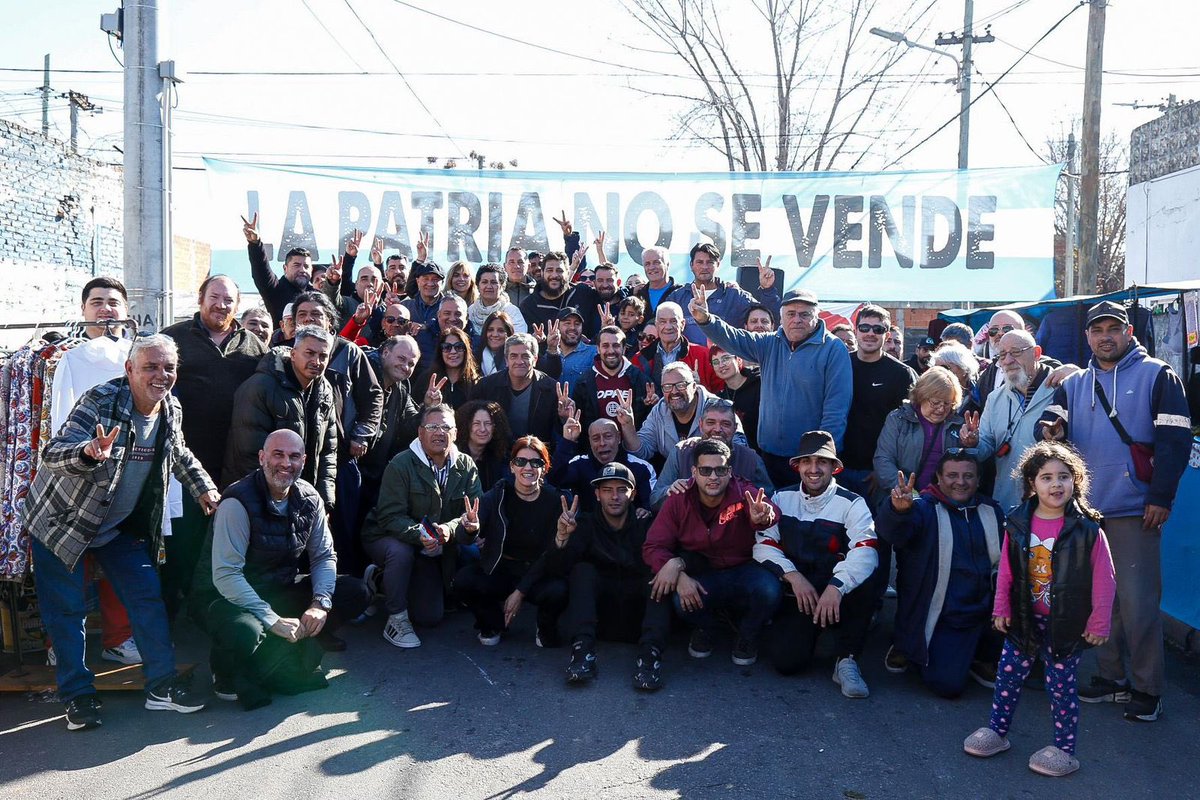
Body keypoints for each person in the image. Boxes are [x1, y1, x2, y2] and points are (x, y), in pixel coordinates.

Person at [23, 334, 221, 731]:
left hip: (116, 526)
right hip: (63, 522)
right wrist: (87, 452)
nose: (160, 375)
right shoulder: (101, 400)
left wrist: (204, 488)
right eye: (150, 366)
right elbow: (54, 451)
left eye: (168, 367)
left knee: (147, 596)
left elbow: (178, 452)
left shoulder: (170, 408)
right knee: (67, 612)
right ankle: (78, 697)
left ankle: (161, 687)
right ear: (129, 369)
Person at [1039, 300, 1191, 722]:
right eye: (1097, 330)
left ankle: (1147, 688)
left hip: (1135, 509)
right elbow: (1051, 426)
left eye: (1113, 328)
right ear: (1087, 337)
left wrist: (1160, 497)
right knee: (1100, 603)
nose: (1105, 336)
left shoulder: (1157, 374)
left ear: (1128, 332)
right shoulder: (1073, 384)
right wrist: (1049, 429)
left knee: (1139, 605)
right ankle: (1111, 679)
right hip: (1087, 511)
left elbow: (1175, 444)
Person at [963, 441, 1116, 778]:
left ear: (1076, 481)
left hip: (1067, 624)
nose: (1056, 484)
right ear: (1032, 483)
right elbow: (1005, 570)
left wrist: (1099, 621)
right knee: (1007, 677)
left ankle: (1064, 749)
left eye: (1064, 476)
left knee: (1061, 688)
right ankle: (997, 732)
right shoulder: (1017, 523)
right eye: (1046, 477)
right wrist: (1001, 607)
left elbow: (1105, 579)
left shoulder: (1089, 530)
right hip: (1022, 619)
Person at [190, 430, 371, 709]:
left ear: (304, 460)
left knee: (355, 592)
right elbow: (226, 575)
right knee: (246, 632)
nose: (286, 463)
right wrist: (271, 619)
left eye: (294, 456)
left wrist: (319, 604)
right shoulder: (237, 502)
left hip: (277, 587)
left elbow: (323, 556)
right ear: (262, 458)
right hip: (224, 597)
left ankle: (285, 645)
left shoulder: (310, 498)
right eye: (278, 454)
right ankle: (226, 668)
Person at [46, 277, 140, 667]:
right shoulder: (70, 359)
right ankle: (62, 644)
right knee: (72, 566)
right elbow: (58, 422)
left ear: (126, 311)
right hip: (80, 475)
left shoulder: (138, 354)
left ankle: (119, 638)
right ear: (83, 310)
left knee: (122, 564)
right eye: (97, 302)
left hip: (130, 476)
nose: (105, 309)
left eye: (113, 302)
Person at [161, 275, 268, 618]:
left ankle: (216, 609)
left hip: (236, 460)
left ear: (237, 305)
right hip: (185, 460)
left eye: (228, 300)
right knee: (183, 540)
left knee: (229, 540)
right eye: (215, 297)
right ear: (200, 297)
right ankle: (175, 612)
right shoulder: (173, 338)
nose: (221, 305)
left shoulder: (252, 344)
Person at [754, 431, 878, 698]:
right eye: (806, 461)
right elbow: (763, 544)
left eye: (821, 462)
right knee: (786, 663)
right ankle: (812, 631)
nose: (813, 469)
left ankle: (847, 658)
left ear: (835, 467)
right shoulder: (780, 498)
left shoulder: (853, 502)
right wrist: (794, 577)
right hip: (801, 593)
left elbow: (866, 550)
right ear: (796, 466)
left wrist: (836, 587)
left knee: (869, 576)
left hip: (838, 592)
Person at [642, 439, 782, 673]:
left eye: (721, 470)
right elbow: (653, 545)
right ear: (694, 472)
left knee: (769, 590)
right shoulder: (678, 499)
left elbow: (767, 509)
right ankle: (707, 628)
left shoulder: (744, 492)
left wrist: (765, 516)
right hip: (703, 570)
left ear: (730, 472)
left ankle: (747, 634)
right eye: (706, 470)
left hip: (745, 569)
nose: (713, 477)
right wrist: (676, 573)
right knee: (680, 600)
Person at [694, 287, 852, 489]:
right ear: (782, 317)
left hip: (808, 462)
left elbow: (836, 409)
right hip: (767, 456)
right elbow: (735, 339)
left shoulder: (833, 349)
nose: (797, 319)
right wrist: (706, 319)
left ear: (816, 316)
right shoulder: (769, 343)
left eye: (804, 314)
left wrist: (823, 458)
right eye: (791, 314)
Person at [876, 451, 1005, 698]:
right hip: (943, 614)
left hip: (983, 612)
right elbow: (893, 534)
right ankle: (911, 645)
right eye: (952, 475)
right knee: (946, 684)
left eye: (969, 476)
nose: (961, 482)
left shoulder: (990, 511)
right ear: (938, 477)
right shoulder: (923, 508)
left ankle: (980, 655)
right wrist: (898, 511)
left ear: (978, 479)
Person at [361, 405, 483, 648]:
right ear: (420, 432)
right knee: (400, 552)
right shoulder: (401, 464)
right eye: (432, 427)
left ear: (456, 433)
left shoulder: (466, 465)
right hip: (390, 537)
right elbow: (389, 516)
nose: (439, 432)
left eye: (446, 427)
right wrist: (422, 534)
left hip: (435, 546)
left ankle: (382, 580)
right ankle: (396, 618)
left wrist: (451, 529)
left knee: (430, 616)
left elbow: (470, 516)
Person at [539, 463, 660, 687]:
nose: (614, 496)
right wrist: (562, 539)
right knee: (582, 570)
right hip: (600, 618)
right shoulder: (584, 524)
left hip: (638, 618)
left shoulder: (646, 524)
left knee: (660, 577)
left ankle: (649, 658)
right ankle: (582, 654)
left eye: (621, 490)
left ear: (632, 495)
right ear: (597, 494)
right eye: (607, 490)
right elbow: (557, 570)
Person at [453, 437, 569, 647]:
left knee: (559, 590)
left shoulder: (555, 501)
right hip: (502, 568)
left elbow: (551, 554)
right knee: (464, 580)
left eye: (536, 462)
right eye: (521, 461)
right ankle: (493, 623)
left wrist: (520, 592)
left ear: (545, 468)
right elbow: (464, 536)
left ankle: (545, 626)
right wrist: (470, 529)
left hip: (538, 571)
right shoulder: (498, 494)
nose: (528, 467)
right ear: (512, 466)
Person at [224, 326, 339, 509]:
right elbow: (250, 455)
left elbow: (328, 451)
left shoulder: (324, 389)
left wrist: (325, 501)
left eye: (323, 356)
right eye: (309, 353)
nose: (316, 361)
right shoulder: (260, 388)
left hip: (304, 500)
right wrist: (277, 503)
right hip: (258, 499)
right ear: (293, 354)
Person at [975, 330, 1062, 511]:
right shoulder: (994, 399)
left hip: (1055, 506)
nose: (1007, 361)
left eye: (1015, 352)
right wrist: (971, 442)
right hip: (1008, 506)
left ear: (1037, 353)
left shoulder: (1063, 388)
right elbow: (985, 448)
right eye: (1002, 355)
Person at [839, 304, 916, 504]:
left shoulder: (901, 374)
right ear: (856, 330)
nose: (870, 333)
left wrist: (884, 470)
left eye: (878, 329)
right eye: (864, 328)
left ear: (887, 334)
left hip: (877, 475)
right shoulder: (838, 365)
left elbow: (908, 429)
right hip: (837, 468)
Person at [651, 398, 772, 509]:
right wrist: (670, 491)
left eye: (725, 424)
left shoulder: (751, 459)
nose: (717, 429)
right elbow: (654, 500)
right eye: (711, 423)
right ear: (700, 425)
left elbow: (770, 501)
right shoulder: (681, 452)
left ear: (735, 428)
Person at [874, 367, 976, 495]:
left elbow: (970, 468)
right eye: (935, 402)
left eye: (947, 403)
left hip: (944, 501)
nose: (941, 409)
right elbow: (883, 460)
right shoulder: (898, 419)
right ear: (921, 396)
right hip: (903, 498)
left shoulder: (959, 425)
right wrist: (907, 490)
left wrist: (970, 444)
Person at [622, 362, 741, 465]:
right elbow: (642, 451)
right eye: (667, 387)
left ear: (694, 386)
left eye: (681, 385)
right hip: (677, 480)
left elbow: (740, 447)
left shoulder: (720, 408)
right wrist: (628, 425)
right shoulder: (660, 410)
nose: (674, 391)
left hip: (716, 477)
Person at [359, 335, 423, 525]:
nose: (406, 366)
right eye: (401, 359)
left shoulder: (401, 387)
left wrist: (427, 406)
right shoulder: (362, 373)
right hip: (351, 467)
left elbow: (409, 426)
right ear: (385, 353)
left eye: (411, 364)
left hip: (377, 475)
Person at [666, 244, 781, 345]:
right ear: (691, 265)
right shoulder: (677, 297)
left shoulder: (734, 295)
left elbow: (771, 317)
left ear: (718, 264)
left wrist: (767, 289)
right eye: (700, 262)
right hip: (689, 365)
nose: (705, 267)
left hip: (725, 366)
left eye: (710, 262)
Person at [549, 417, 656, 518]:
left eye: (608, 436)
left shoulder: (642, 467)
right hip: (591, 531)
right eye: (595, 438)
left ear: (618, 437)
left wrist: (646, 511)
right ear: (590, 441)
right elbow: (555, 480)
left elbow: (653, 503)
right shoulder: (579, 464)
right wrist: (567, 442)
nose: (602, 443)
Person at [473, 333, 563, 443]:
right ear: (506, 360)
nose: (519, 362)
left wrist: (564, 418)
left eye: (525, 356)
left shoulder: (550, 389)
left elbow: (559, 432)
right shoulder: (487, 386)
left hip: (535, 454)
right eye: (513, 356)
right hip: (496, 452)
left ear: (535, 360)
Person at [571, 325, 653, 431]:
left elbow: (650, 421)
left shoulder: (640, 379)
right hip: (596, 447)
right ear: (598, 349)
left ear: (624, 349)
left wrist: (651, 405)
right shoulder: (584, 382)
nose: (611, 351)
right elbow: (577, 424)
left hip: (631, 446)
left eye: (616, 345)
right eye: (605, 346)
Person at [633, 301, 722, 394]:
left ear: (683, 324)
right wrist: (645, 401)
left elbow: (720, 395)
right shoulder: (639, 359)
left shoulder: (704, 356)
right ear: (656, 325)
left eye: (673, 321)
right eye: (663, 322)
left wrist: (699, 388)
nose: (668, 327)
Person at [242, 212, 311, 325]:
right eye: (296, 265)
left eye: (306, 266)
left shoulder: (316, 295)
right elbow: (261, 270)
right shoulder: (275, 289)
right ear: (285, 268)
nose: (302, 269)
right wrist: (255, 244)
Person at [416, 326, 481, 410]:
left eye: (459, 347)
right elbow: (413, 416)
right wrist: (427, 405)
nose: (453, 352)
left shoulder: (477, 383)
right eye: (447, 347)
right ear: (440, 351)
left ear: (466, 351)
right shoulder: (425, 379)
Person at [711, 348, 762, 451]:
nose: (721, 365)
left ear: (738, 360)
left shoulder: (760, 384)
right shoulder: (719, 398)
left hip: (764, 450)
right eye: (715, 362)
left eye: (726, 359)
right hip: (737, 453)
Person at [456, 400, 513, 488]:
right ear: (466, 426)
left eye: (488, 423)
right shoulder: (453, 456)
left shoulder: (500, 459)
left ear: (495, 427)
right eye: (476, 423)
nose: (482, 429)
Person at [468, 263, 526, 337]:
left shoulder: (512, 312)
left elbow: (518, 341)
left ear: (502, 286)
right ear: (478, 286)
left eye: (494, 282)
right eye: (484, 282)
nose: (489, 286)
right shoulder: (471, 310)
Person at [931, 341, 982, 416]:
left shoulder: (979, 395)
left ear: (964, 368)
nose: (940, 372)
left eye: (945, 367)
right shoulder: (929, 393)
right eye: (936, 368)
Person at [555, 307, 599, 392]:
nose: (572, 327)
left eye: (577, 324)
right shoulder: (549, 355)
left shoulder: (594, 353)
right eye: (567, 323)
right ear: (557, 326)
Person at [633, 245, 679, 319]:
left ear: (667, 264)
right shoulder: (638, 295)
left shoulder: (680, 293)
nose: (651, 267)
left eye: (656, 262)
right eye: (647, 264)